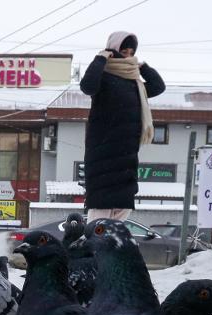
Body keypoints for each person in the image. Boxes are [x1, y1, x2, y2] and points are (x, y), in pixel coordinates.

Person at [79, 31, 164, 221]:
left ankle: (114, 247)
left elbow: (158, 87)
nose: (127, 54)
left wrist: (143, 68)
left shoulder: (135, 83)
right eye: (123, 50)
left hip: (126, 156)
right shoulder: (104, 77)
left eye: (131, 51)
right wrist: (100, 59)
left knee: (123, 207)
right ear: (113, 49)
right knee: (100, 209)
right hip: (103, 152)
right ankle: (94, 247)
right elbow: (87, 86)